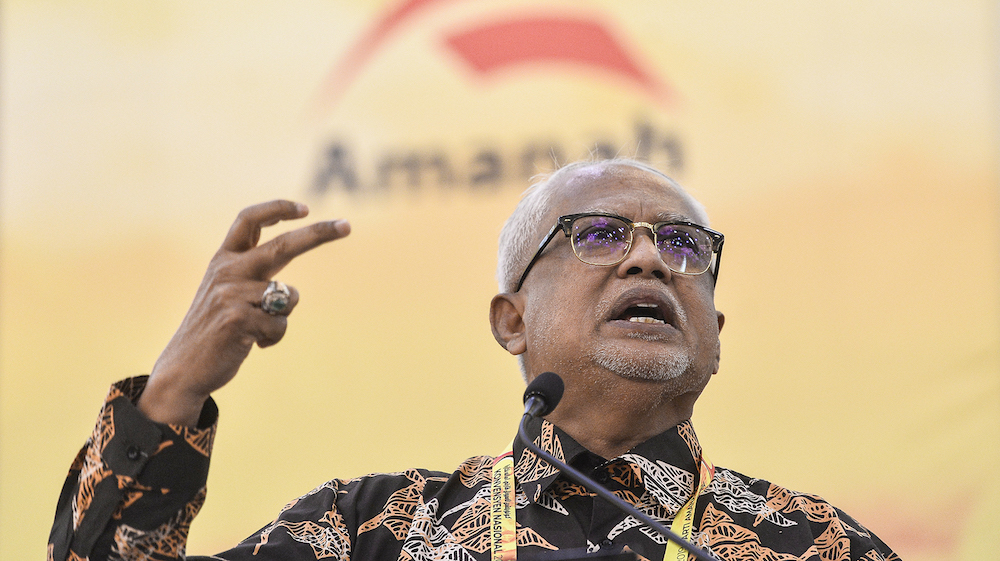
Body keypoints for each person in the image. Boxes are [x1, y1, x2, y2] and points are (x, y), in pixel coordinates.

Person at [48, 159, 901, 561]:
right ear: (511, 320)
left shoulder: (814, 545)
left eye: (682, 246)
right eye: (600, 235)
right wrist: (170, 397)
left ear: (715, 327)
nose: (648, 261)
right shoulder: (368, 531)